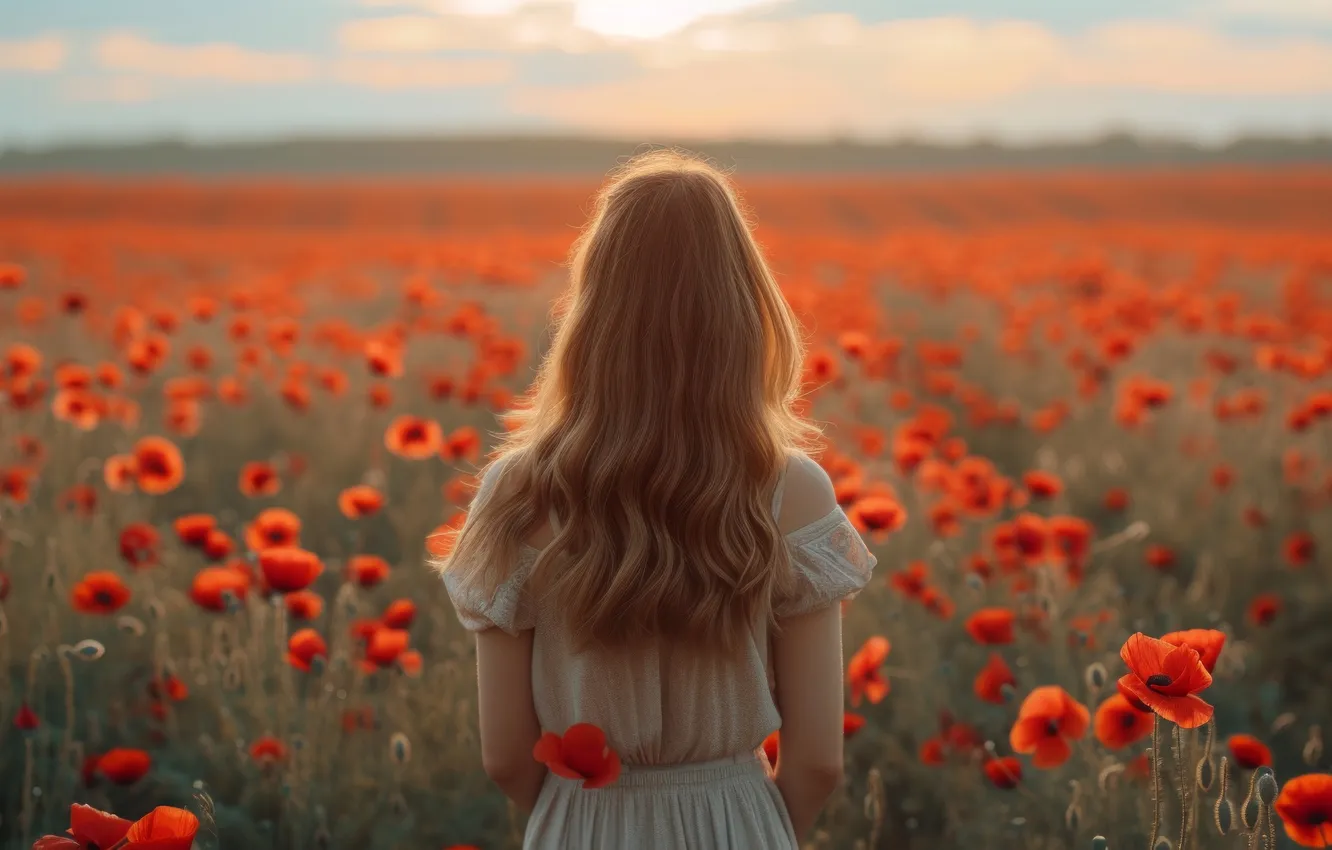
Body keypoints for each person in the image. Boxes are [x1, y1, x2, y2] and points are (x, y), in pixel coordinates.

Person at [433, 148, 879, 849]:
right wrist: (755, 830)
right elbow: (819, 761)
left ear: (594, 310)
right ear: (743, 306)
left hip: (580, 821)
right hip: (737, 820)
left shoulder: (518, 491)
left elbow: (504, 757)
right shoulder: (791, 489)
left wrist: (575, 822)